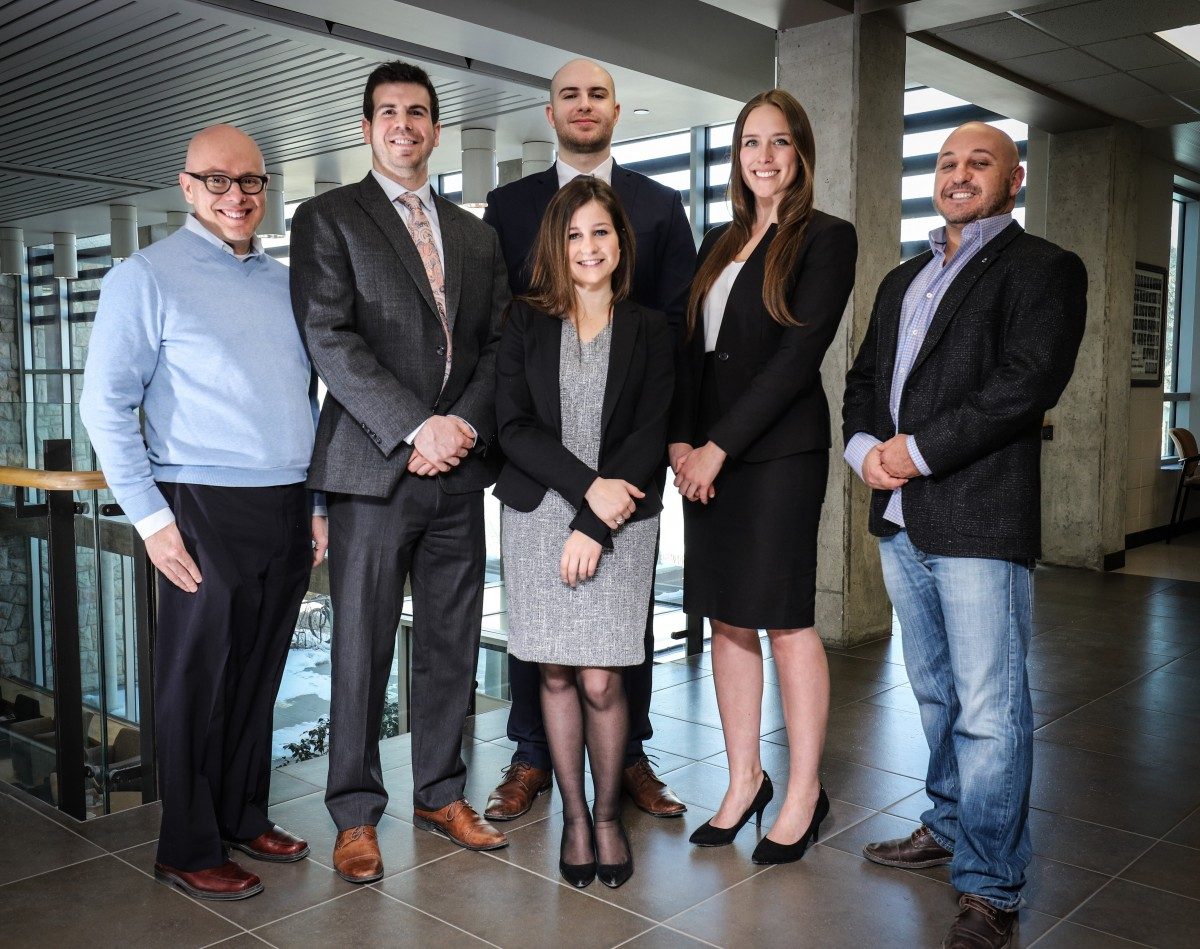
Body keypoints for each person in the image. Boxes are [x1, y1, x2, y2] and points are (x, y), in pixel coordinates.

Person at [843, 122, 1086, 949]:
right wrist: (862, 452)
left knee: (990, 707)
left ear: (1013, 179)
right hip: (901, 519)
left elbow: (1025, 385)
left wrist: (912, 450)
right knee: (937, 692)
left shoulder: (1045, 269)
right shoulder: (901, 278)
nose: (958, 173)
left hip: (979, 515)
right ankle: (947, 825)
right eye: (947, 162)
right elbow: (864, 381)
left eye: (979, 162)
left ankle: (991, 886)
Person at [80, 125, 321, 901]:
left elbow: (303, 400)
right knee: (197, 681)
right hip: (199, 504)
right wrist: (151, 519)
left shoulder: (287, 281)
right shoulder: (142, 276)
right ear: (185, 186)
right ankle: (186, 843)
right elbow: (105, 405)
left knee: (258, 673)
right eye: (217, 180)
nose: (236, 195)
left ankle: (243, 813)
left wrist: (315, 502)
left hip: (284, 503)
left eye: (250, 181)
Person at [289, 61, 511, 881]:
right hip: (373, 467)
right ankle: (353, 812)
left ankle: (441, 791)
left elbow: (495, 344)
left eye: (418, 112)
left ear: (436, 128)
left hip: (456, 471)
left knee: (450, 642)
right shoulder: (327, 218)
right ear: (366, 126)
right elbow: (330, 340)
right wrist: (417, 425)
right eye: (388, 113)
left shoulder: (477, 234)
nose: (404, 125)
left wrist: (459, 429)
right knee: (361, 646)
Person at [483, 57, 696, 823]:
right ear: (550, 111)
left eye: (597, 93)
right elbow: (499, 342)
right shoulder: (506, 207)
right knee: (539, 643)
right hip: (540, 470)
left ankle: (626, 754)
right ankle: (531, 755)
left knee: (616, 636)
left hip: (625, 467)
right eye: (568, 93)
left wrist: (652, 456)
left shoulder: (660, 205)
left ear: (615, 107)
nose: (583, 105)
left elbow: (677, 333)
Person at [668, 90, 856, 865]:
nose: (764, 156)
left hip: (778, 453)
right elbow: (689, 352)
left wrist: (720, 448)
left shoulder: (826, 238)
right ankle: (745, 779)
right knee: (726, 617)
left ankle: (804, 791)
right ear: (737, 155)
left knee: (782, 616)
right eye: (750, 142)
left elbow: (793, 363)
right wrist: (682, 442)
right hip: (707, 454)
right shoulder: (718, 239)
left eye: (780, 142)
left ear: (801, 152)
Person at [494, 177, 673, 889]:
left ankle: (605, 815)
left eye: (601, 232)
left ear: (620, 242)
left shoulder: (653, 328)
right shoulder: (523, 320)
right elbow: (513, 426)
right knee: (557, 671)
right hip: (538, 517)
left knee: (602, 677)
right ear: (555, 245)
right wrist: (583, 495)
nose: (588, 247)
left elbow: (650, 432)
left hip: (621, 520)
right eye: (574, 235)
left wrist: (597, 519)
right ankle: (572, 816)